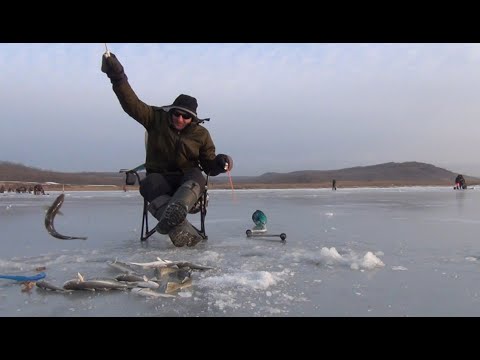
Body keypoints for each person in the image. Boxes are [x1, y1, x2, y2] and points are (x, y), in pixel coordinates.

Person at [101, 52, 233, 247]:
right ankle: (178, 227)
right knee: (148, 184)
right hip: (160, 178)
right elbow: (131, 104)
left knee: (196, 176)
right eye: (176, 114)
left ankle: (176, 210)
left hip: (186, 181)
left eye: (185, 117)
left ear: (193, 119)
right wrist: (117, 76)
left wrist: (221, 162)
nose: (180, 119)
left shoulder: (201, 134)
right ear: (170, 111)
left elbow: (209, 166)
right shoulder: (154, 118)